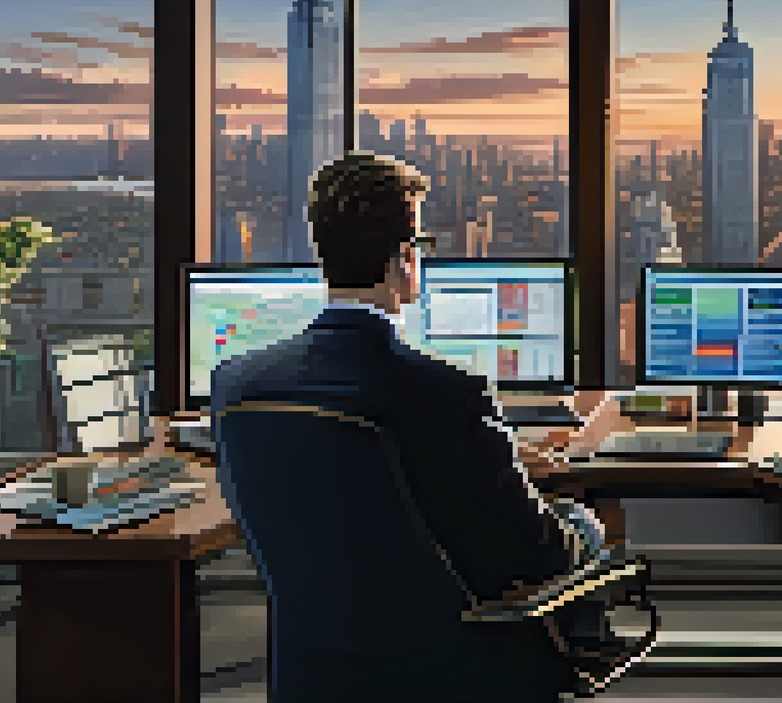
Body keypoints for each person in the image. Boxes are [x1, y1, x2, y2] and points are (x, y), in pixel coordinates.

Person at [211, 150, 580, 701]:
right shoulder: (448, 393)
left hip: (314, 675)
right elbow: (533, 554)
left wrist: (490, 455)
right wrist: (577, 524)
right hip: (452, 671)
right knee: (579, 530)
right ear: (406, 259)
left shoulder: (236, 383)